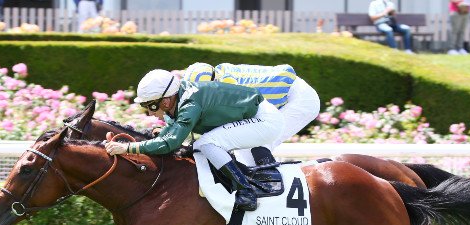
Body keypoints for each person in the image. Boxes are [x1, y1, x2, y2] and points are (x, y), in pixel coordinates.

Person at [105, 69, 285, 211]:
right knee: (200, 145)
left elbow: (170, 143)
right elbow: (167, 135)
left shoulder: (190, 104)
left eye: (150, 106)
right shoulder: (179, 98)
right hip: (257, 116)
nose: (150, 113)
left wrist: (128, 148)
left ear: (166, 101)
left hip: (265, 121)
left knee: (206, 143)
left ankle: (246, 190)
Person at [182, 62, 320, 166]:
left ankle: (272, 186)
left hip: (300, 99)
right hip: (293, 91)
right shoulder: (220, 75)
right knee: (245, 147)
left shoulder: (229, 86)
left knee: (255, 146)